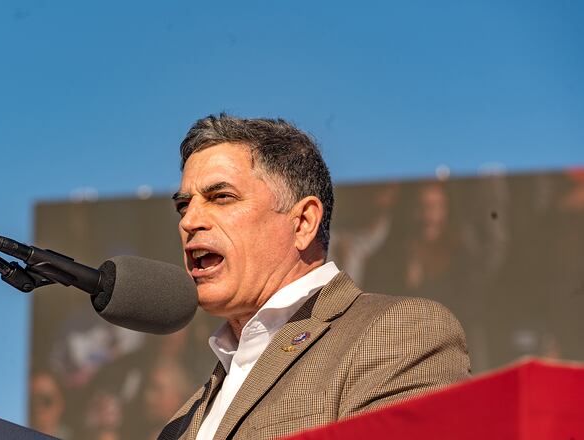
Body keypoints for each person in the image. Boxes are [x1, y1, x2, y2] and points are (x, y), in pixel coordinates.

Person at [158, 114, 471, 440]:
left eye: (221, 197)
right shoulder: (182, 421)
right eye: (183, 205)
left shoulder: (397, 333)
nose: (188, 221)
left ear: (304, 222)